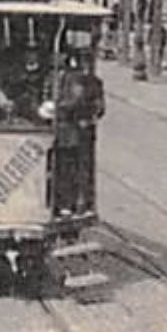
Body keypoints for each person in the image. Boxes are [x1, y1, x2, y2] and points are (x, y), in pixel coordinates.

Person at [54, 54, 105, 215]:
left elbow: (96, 106)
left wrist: (57, 109)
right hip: (73, 130)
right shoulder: (68, 78)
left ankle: (75, 204)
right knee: (72, 168)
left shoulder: (82, 81)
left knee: (75, 168)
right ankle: (73, 204)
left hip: (77, 131)